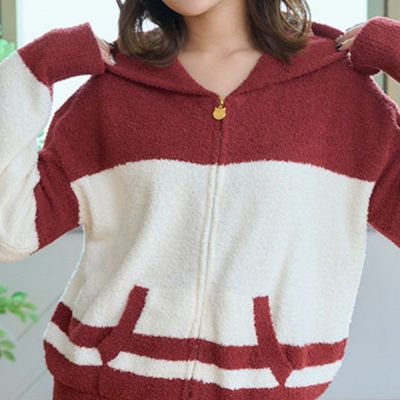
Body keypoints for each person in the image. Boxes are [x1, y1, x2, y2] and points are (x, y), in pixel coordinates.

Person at [1, 0, 400, 399]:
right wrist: (31, 69)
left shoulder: (341, 94)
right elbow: (11, 233)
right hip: (100, 385)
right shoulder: (112, 90)